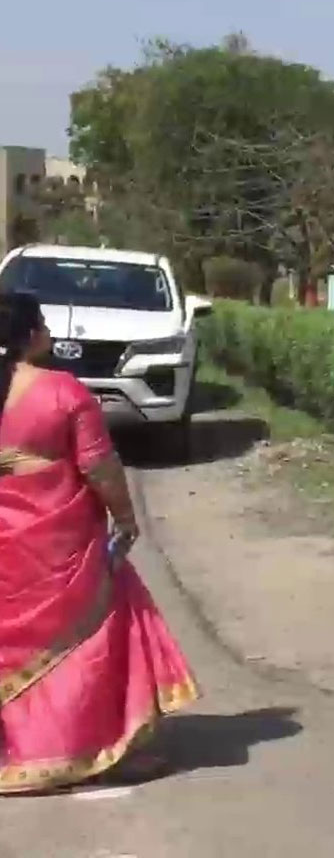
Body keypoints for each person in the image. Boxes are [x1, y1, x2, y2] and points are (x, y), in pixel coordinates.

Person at [0, 292, 198, 794]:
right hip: (58, 543)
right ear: (29, 334)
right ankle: (91, 747)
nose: (48, 331)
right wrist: (126, 520)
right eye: (42, 323)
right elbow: (100, 467)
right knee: (95, 631)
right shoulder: (63, 391)